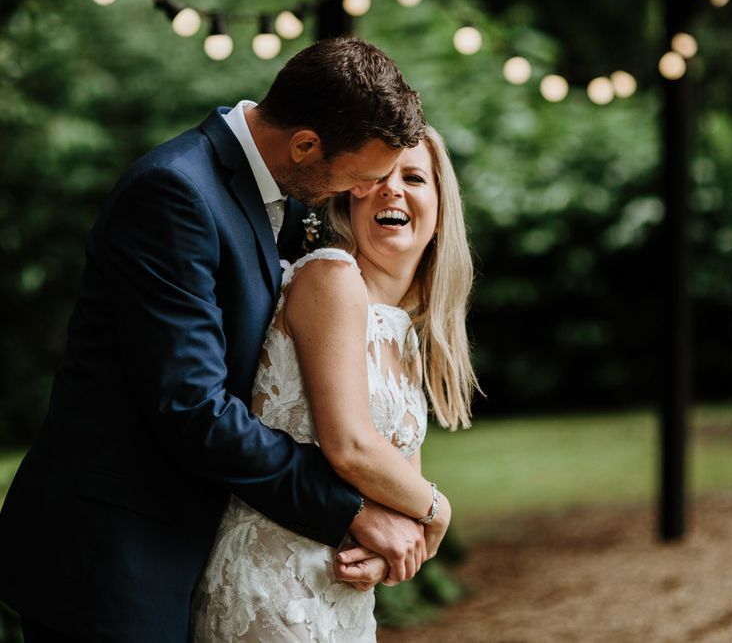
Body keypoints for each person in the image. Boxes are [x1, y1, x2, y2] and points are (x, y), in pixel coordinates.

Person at [0, 37, 430, 642]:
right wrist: (350, 512)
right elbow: (193, 408)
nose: (351, 196)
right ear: (305, 145)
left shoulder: (278, 193)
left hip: (211, 547)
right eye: (352, 178)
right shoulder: (174, 192)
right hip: (118, 555)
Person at [191, 126, 478, 641]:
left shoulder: (403, 335)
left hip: (342, 591)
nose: (392, 189)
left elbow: (396, 492)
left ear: (440, 211)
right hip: (276, 586)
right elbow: (350, 446)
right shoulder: (331, 275)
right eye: (376, 178)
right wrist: (440, 510)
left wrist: (388, 552)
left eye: (414, 177)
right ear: (349, 199)